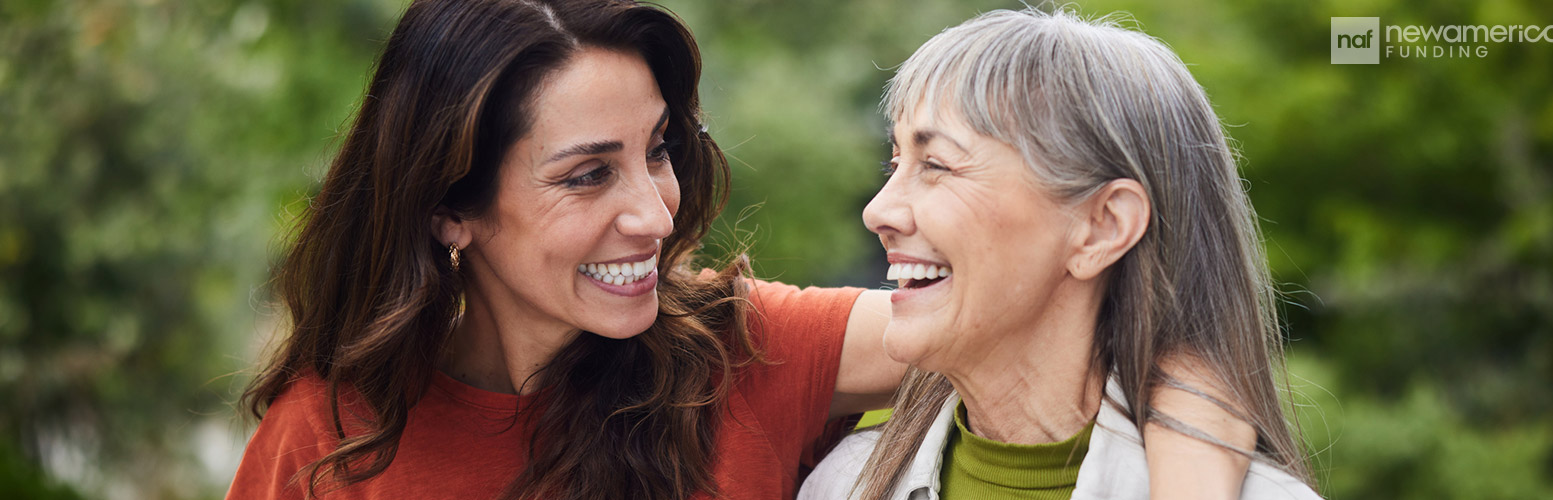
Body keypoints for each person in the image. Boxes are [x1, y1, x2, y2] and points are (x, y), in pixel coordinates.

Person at [226, 1, 1265, 499]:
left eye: (660, 150)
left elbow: (1088, 306)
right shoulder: (328, 438)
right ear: (449, 206)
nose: (653, 211)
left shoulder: (742, 350)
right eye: (589, 173)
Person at [800, 8, 1321, 500]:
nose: (878, 211)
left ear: (1102, 227)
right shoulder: (842, 485)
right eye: (895, 164)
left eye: (936, 164)